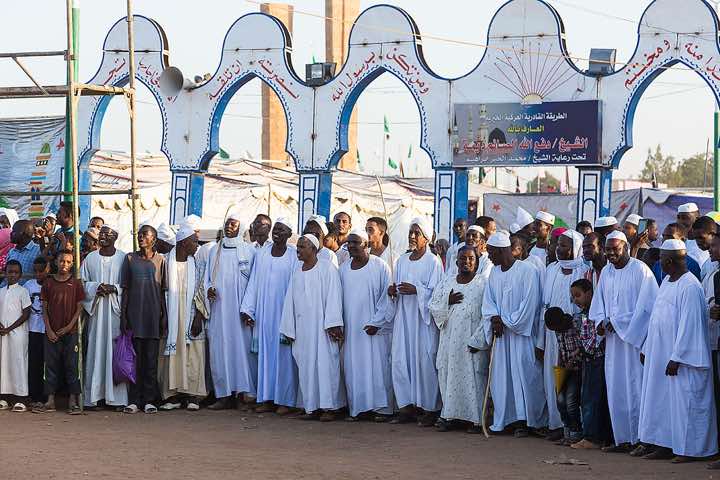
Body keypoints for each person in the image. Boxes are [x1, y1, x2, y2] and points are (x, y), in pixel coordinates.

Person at [638, 239, 717, 462]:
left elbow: (690, 326)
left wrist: (677, 358)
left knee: (687, 405)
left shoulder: (690, 286)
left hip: (682, 362)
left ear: (669, 261)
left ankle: (691, 450)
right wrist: (647, 347)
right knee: (663, 403)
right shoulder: (668, 282)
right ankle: (665, 444)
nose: (659, 264)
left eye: (661, 260)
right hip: (661, 356)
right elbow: (656, 318)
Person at [589, 231, 658, 453]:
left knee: (635, 388)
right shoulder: (606, 273)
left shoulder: (641, 271)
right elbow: (598, 304)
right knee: (616, 389)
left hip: (634, 342)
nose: (610, 254)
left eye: (615, 249)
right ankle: (623, 439)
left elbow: (647, 308)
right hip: (613, 343)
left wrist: (617, 322)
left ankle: (641, 439)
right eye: (608, 249)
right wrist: (600, 321)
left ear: (626, 248)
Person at [482, 231, 545, 436]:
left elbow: (530, 305)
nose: (489, 256)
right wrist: (494, 319)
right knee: (502, 378)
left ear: (502, 250)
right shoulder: (494, 272)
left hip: (521, 336)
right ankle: (505, 419)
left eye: (491, 252)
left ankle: (525, 421)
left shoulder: (528, 271)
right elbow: (488, 303)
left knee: (524, 377)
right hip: (502, 337)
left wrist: (506, 321)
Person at [280, 234, 345, 421]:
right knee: (307, 368)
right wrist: (289, 329)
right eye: (298, 247)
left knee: (326, 367)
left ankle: (329, 408)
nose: (298, 250)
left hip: (324, 330)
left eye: (302, 247)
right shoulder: (297, 272)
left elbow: (334, 296)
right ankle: (312, 407)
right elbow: (289, 302)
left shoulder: (327, 268)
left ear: (314, 249)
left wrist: (333, 324)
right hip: (303, 331)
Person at [387, 218, 443, 426]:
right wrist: (392, 292)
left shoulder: (433, 262)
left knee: (424, 362)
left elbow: (437, 294)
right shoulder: (401, 261)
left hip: (423, 322)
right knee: (401, 360)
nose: (412, 236)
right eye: (411, 232)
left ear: (426, 238)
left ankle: (429, 408)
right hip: (404, 319)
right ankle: (406, 406)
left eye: (417, 233)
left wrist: (417, 290)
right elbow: (396, 287)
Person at [240, 218, 299, 415]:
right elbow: (254, 282)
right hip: (265, 314)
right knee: (266, 357)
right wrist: (248, 309)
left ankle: (285, 400)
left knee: (284, 358)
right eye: (275, 229)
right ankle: (266, 398)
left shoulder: (293, 255)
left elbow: (295, 287)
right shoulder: (263, 253)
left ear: (289, 234)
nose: (276, 233)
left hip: (284, 314)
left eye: (282, 230)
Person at [430, 246, 492, 433]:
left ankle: (475, 420)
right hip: (450, 341)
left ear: (477, 262)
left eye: (471, 258)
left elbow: (487, 314)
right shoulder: (447, 282)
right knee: (449, 376)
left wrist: (478, 340)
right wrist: (446, 302)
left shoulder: (483, 283)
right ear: (456, 261)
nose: (466, 262)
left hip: (471, 341)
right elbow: (433, 305)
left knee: (473, 378)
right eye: (462, 258)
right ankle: (450, 416)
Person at [540, 230, 589, 441]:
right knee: (555, 380)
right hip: (553, 336)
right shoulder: (551, 269)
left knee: (572, 388)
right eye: (558, 245)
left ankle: (575, 429)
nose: (559, 249)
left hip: (574, 336)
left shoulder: (583, 270)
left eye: (565, 246)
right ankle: (557, 425)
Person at [340, 230, 394, 421]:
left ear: (366, 244)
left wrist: (376, 322)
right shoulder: (344, 269)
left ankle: (381, 409)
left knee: (378, 367)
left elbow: (387, 297)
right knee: (354, 367)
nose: (351, 246)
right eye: (349, 243)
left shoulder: (380, 266)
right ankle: (359, 408)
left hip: (375, 329)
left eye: (356, 242)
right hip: (352, 329)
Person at [205, 213, 257, 410]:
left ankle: (242, 395)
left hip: (240, 311)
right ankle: (223, 395)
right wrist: (208, 288)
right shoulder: (214, 251)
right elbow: (207, 278)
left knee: (241, 352)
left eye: (233, 224)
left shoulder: (249, 251)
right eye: (227, 223)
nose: (229, 227)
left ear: (240, 227)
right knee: (220, 351)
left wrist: (248, 309)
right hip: (219, 309)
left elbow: (253, 283)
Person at [120, 224, 167, 414]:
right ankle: (134, 400)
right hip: (134, 317)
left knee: (151, 362)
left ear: (153, 239)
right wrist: (124, 316)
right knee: (135, 361)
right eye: (139, 235)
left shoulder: (161, 261)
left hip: (153, 317)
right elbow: (126, 290)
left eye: (145, 235)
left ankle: (149, 400)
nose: (141, 238)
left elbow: (163, 292)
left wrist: (164, 317)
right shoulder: (130, 259)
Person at [159, 225, 206, 411]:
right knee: (171, 355)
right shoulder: (164, 262)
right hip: (171, 316)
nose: (197, 245)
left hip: (191, 315)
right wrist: (163, 316)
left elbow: (202, 290)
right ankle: (172, 396)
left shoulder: (198, 264)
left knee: (193, 355)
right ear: (184, 242)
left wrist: (199, 317)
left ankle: (192, 395)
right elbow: (160, 290)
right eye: (195, 242)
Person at [81, 225, 127, 409]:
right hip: (97, 312)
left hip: (115, 313)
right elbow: (82, 283)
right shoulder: (91, 258)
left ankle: (116, 398)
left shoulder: (124, 258)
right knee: (96, 350)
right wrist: (95, 288)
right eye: (101, 234)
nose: (102, 237)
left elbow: (129, 285)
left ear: (115, 236)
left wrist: (115, 288)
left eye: (107, 234)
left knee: (114, 352)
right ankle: (95, 397)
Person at [570, 278, 612, 450]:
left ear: (589, 293)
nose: (575, 300)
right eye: (573, 297)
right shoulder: (582, 314)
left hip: (597, 359)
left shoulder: (595, 313)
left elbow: (596, 338)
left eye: (578, 295)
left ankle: (593, 437)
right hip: (588, 359)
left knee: (592, 399)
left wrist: (586, 350)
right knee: (588, 397)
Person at [40, 251, 84, 414]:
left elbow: (79, 308)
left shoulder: (76, 283)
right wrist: (49, 330)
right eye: (62, 261)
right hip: (51, 333)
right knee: (50, 366)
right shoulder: (48, 283)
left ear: (72, 264)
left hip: (70, 332)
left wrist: (68, 327)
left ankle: (73, 401)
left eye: (68, 262)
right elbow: (44, 308)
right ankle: (50, 400)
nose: (64, 264)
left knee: (72, 366)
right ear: (56, 263)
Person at [544, 306, 582, 445]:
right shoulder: (557, 330)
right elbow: (561, 349)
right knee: (560, 402)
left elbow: (582, 345)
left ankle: (576, 432)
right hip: (564, 369)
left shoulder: (575, 325)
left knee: (571, 402)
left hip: (576, 369)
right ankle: (567, 432)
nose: (556, 331)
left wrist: (572, 361)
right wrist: (560, 366)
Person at [0, 260, 31, 412]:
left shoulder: (23, 291)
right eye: (9, 272)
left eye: (15, 272)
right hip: (3, 334)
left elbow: (26, 314)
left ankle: (21, 398)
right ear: (5, 273)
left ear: (20, 275)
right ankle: (4, 397)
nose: (12, 275)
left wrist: (10, 328)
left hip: (17, 334)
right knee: (4, 363)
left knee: (18, 363)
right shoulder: (1, 291)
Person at [24, 257, 48, 408]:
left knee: (47, 364)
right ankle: (34, 395)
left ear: (48, 270)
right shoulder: (28, 285)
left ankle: (46, 395)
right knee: (34, 364)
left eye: (41, 271)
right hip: (33, 329)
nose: (38, 274)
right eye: (36, 271)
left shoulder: (51, 285)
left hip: (47, 330)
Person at [6, 220, 40, 285]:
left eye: (14, 231)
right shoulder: (12, 252)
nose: (11, 233)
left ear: (24, 234)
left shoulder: (38, 251)